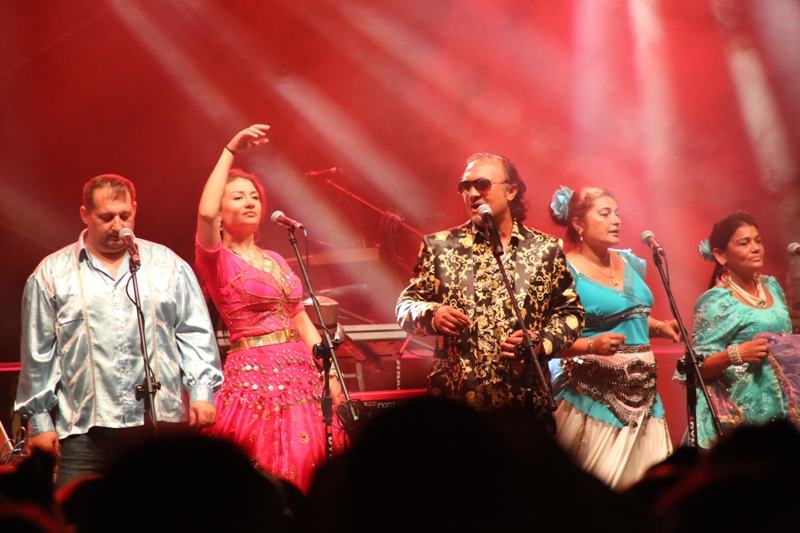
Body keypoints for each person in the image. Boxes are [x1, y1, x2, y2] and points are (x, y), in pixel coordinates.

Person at [15, 174, 223, 489]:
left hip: (159, 426)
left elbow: (194, 332)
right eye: (106, 217)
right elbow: (38, 352)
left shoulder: (168, 265)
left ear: (135, 209)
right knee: (78, 511)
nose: (117, 225)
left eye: (124, 215)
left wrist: (202, 391)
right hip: (86, 434)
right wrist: (40, 420)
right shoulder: (52, 273)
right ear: (85, 215)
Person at [195, 124, 341, 493]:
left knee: (312, 463)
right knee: (261, 469)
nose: (249, 202)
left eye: (254, 197)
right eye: (237, 197)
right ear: (221, 212)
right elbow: (205, 215)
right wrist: (230, 150)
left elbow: (301, 320)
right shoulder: (217, 260)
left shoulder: (275, 257)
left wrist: (330, 374)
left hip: (302, 378)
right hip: (254, 381)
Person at [395, 153, 585, 420]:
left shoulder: (545, 249)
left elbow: (572, 314)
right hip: (457, 405)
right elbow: (405, 305)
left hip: (524, 407)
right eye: (465, 186)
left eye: (482, 184)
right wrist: (432, 314)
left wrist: (541, 342)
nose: (472, 194)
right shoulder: (440, 247)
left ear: (511, 191)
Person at [548, 185, 679, 489]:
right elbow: (548, 339)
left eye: (617, 213)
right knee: (596, 493)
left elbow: (631, 314)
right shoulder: (563, 270)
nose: (616, 220)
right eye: (605, 213)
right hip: (590, 398)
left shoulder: (629, 262)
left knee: (649, 491)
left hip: (644, 397)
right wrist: (591, 345)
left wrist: (659, 327)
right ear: (578, 224)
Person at [687, 211, 796, 449]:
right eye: (744, 243)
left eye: (757, 241)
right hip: (743, 413)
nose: (755, 248)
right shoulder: (717, 301)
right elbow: (697, 367)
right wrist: (736, 354)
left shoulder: (772, 287)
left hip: (783, 404)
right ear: (720, 255)